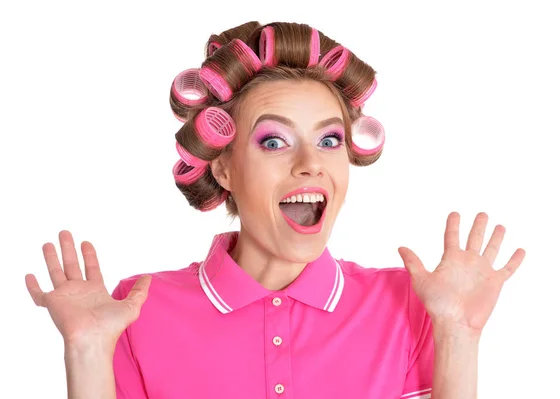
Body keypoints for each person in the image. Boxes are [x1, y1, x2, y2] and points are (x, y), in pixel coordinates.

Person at [24, 21, 526, 399]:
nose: (311, 164)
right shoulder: (137, 308)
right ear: (223, 169)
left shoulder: (411, 303)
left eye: (330, 139)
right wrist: (87, 351)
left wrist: (458, 336)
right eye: (273, 141)